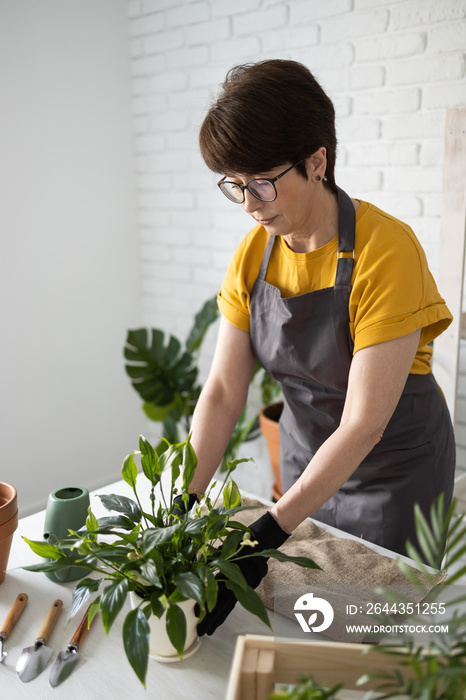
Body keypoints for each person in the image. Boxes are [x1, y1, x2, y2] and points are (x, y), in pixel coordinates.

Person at [181, 59, 455, 636]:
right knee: (304, 619)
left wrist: (272, 530)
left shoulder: (387, 251)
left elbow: (362, 424)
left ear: (317, 161)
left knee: (382, 631)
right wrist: (182, 498)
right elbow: (226, 390)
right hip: (308, 464)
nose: (251, 205)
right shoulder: (254, 255)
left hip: (393, 475)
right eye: (236, 186)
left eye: (262, 182)